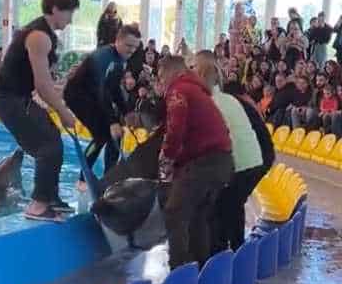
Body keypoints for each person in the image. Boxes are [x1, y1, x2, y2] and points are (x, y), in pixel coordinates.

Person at [0, 0, 80, 221]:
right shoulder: (39, 36)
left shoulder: (42, 33)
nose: (71, 20)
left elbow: (43, 80)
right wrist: (62, 111)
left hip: (17, 96)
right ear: (56, 9)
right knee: (48, 145)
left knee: (52, 139)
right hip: (8, 97)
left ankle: (50, 197)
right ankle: (38, 206)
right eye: (69, 13)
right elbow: (42, 84)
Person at [156, 56, 234, 270]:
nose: (161, 82)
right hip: (221, 160)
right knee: (198, 214)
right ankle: (199, 268)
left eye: (162, 77)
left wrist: (166, 159)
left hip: (206, 161)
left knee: (174, 212)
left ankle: (179, 271)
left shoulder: (179, 90)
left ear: (173, 72)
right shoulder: (196, 89)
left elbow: (175, 130)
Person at [193, 51, 265, 255]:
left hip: (241, 164)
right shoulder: (225, 98)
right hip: (252, 162)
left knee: (219, 209)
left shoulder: (210, 103)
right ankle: (235, 250)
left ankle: (220, 255)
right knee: (232, 206)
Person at [64, 23, 141, 189]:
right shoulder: (103, 57)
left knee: (117, 135)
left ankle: (109, 179)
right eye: (128, 45)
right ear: (117, 40)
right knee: (102, 136)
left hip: (95, 96)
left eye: (135, 47)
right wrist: (112, 120)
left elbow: (113, 89)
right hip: (78, 96)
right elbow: (99, 91)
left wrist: (127, 112)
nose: (131, 50)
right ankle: (83, 179)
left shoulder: (121, 60)